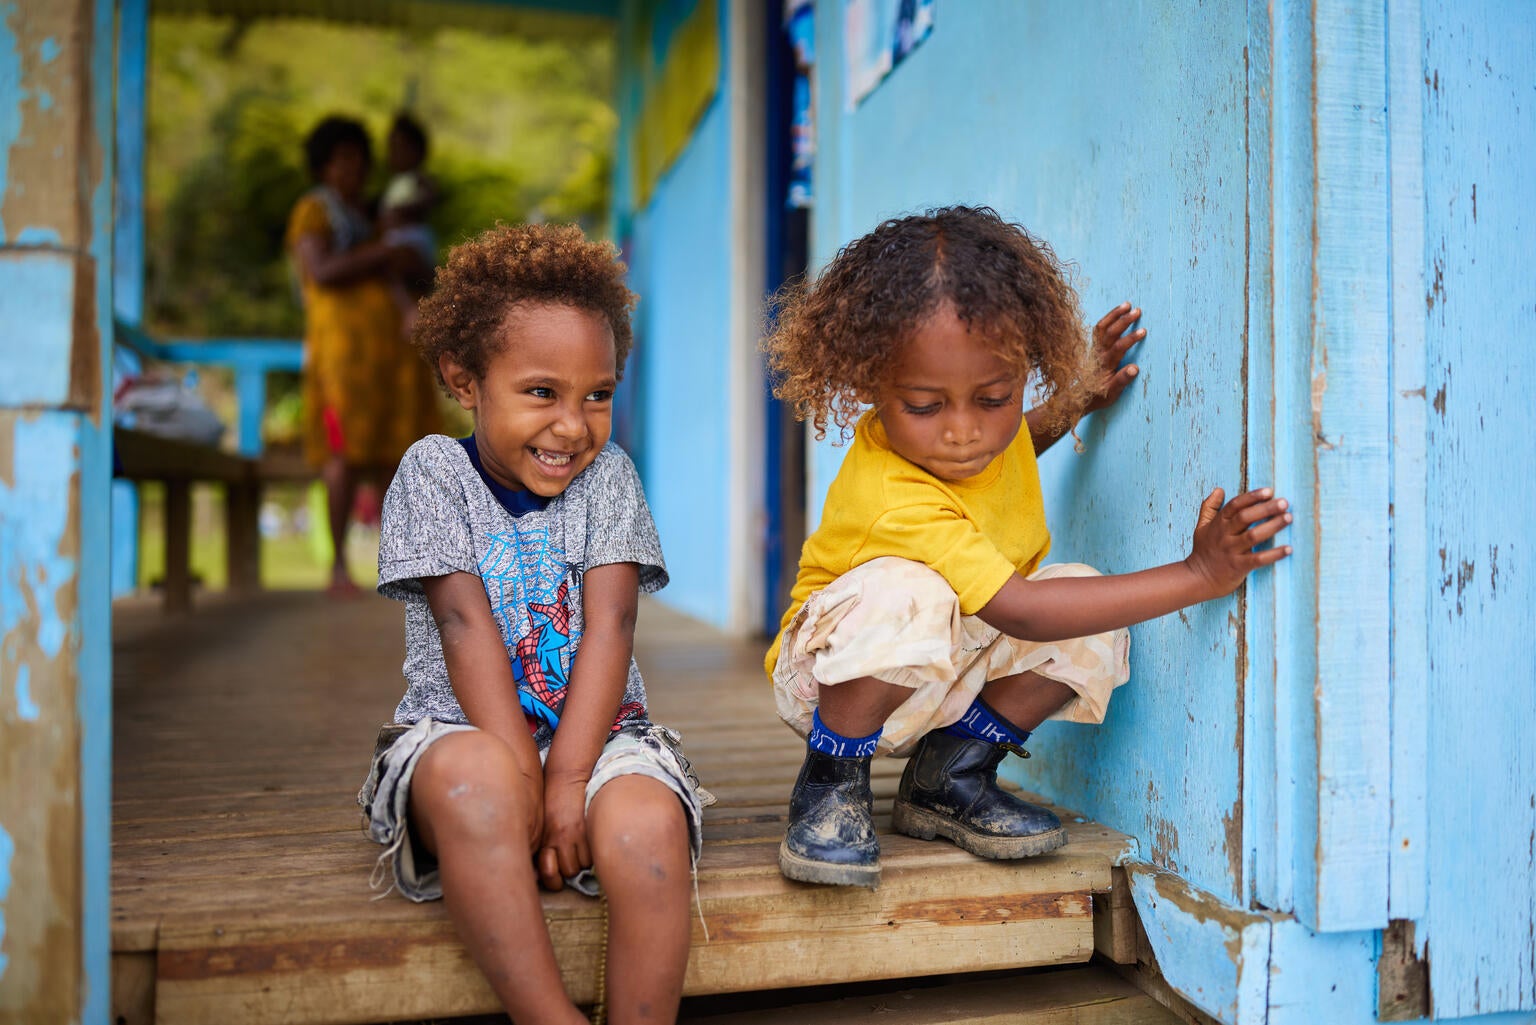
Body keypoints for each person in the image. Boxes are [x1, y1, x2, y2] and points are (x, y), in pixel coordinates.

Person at [762, 205, 1293, 887]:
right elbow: (1023, 610)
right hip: (833, 676)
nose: (964, 432)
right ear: (871, 385)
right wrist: (1197, 573)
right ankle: (832, 780)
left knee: (1091, 615)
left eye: (993, 397)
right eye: (926, 406)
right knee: (918, 593)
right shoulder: (894, 495)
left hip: (943, 657)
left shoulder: (981, 435)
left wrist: (1075, 399)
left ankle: (947, 775)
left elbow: (1011, 445)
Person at [357, 223, 712, 1025]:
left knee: (648, 827)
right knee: (475, 786)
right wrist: (525, 777)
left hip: (600, 735)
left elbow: (610, 625)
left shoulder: (609, 477)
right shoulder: (432, 473)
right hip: (466, 730)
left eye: (598, 394)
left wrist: (569, 779)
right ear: (464, 379)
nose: (574, 425)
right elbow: (462, 622)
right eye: (542, 392)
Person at [286, 115, 441, 594]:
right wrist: (384, 255)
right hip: (341, 359)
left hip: (387, 359)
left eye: (359, 160)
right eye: (342, 160)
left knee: (397, 453)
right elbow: (323, 271)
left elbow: (400, 275)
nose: (353, 170)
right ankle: (337, 567)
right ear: (323, 166)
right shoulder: (315, 211)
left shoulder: (371, 219)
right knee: (342, 454)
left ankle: (400, 563)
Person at [378, 111, 439, 331]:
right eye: (392, 148)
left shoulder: (418, 178)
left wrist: (402, 212)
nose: (395, 154)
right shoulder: (394, 182)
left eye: (402, 148)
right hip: (396, 238)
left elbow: (431, 196)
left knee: (398, 271)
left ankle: (411, 312)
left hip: (411, 237)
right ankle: (410, 309)